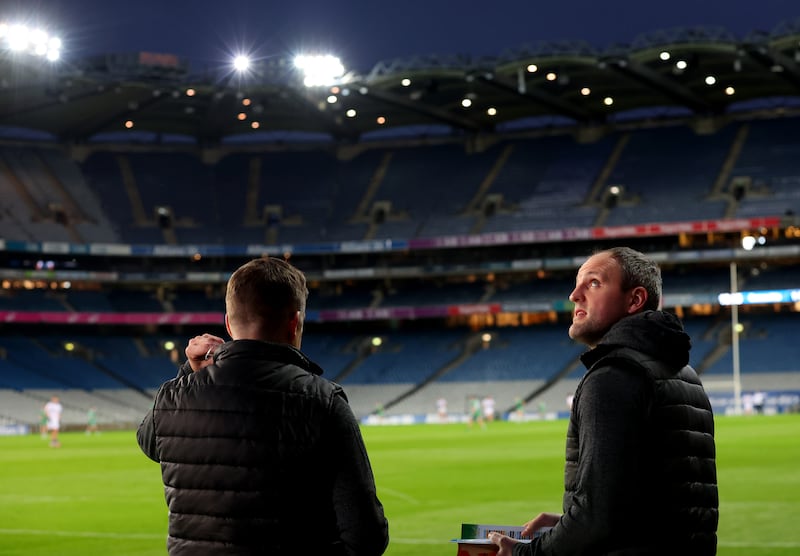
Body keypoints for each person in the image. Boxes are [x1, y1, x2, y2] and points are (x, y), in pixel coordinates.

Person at [137, 257, 389, 556]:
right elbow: (366, 536)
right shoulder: (322, 401)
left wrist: (190, 373)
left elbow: (149, 442)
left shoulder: (173, 396)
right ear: (294, 321)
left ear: (229, 324)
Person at [490, 247, 718, 555]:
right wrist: (569, 525)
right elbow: (649, 511)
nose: (574, 295)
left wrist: (524, 553)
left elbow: (597, 515)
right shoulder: (684, 374)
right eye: (577, 283)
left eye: (593, 283)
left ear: (634, 300)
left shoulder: (614, 376)